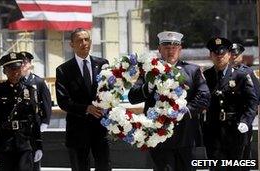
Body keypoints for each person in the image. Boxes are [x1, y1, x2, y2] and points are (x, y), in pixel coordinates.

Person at [128, 31, 210, 171]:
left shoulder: (192, 70)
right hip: (160, 138)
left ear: (180, 49)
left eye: (174, 47)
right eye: (166, 47)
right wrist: (148, 86)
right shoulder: (149, 71)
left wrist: (186, 111)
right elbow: (133, 97)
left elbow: (204, 96)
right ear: (159, 49)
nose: (170, 51)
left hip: (186, 136)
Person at [55, 28, 111, 171]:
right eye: (79, 40)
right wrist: (86, 108)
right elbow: (63, 101)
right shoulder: (64, 70)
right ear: (72, 44)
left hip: (100, 129)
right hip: (77, 131)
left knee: (104, 166)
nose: (84, 43)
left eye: (87, 39)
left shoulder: (103, 64)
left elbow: (112, 92)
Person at [203, 37, 258, 171]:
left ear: (229, 55)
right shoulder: (205, 76)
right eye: (216, 54)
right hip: (213, 131)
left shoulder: (240, 76)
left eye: (223, 54)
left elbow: (252, 101)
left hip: (235, 129)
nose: (219, 57)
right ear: (211, 56)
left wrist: (246, 121)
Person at [0, 52, 43, 171]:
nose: (15, 72)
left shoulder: (30, 91)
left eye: (18, 68)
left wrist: (39, 144)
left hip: (25, 143)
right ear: (5, 71)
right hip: (3, 143)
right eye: (11, 69)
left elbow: (35, 120)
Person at [20, 51, 52, 171]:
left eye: (25, 62)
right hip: (21, 126)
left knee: (35, 158)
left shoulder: (38, 82)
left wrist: (45, 122)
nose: (22, 64)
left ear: (30, 64)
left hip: (35, 124)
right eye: (21, 62)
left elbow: (46, 103)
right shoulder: (17, 81)